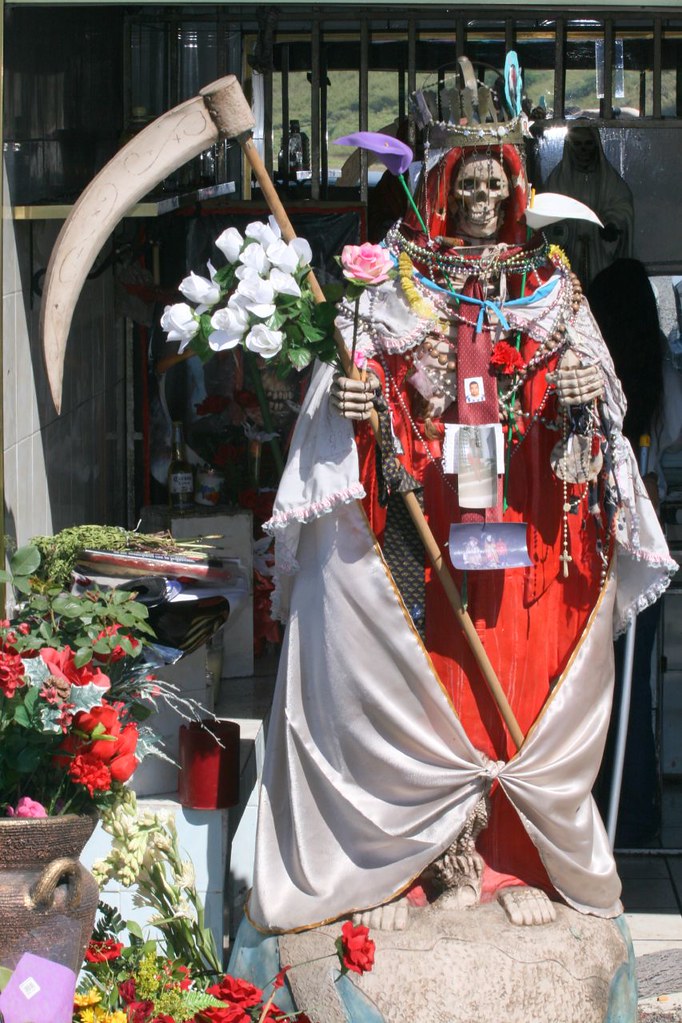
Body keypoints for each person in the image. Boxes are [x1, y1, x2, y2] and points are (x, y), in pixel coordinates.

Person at [244, 117, 675, 937]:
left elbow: (603, 410)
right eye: (467, 183)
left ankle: (516, 860)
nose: (482, 199)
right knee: (417, 678)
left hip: (524, 528)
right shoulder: (394, 280)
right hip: (422, 526)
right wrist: (357, 398)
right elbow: (348, 393)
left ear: (515, 190)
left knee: (517, 676)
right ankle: (414, 864)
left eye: (495, 183)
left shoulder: (551, 281)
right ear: (442, 188)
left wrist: (582, 389)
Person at [587, 258, 666, 846]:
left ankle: (594, 810)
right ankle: (636, 813)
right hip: (644, 537)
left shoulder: (593, 363)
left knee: (591, 687)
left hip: (594, 541)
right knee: (635, 688)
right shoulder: (659, 371)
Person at [543, 121, 634, 290]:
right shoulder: (557, 180)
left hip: (600, 256)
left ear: (596, 145)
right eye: (577, 144)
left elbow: (623, 208)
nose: (583, 150)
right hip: (568, 254)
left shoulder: (609, 180)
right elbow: (546, 212)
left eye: (588, 144)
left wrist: (611, 224)